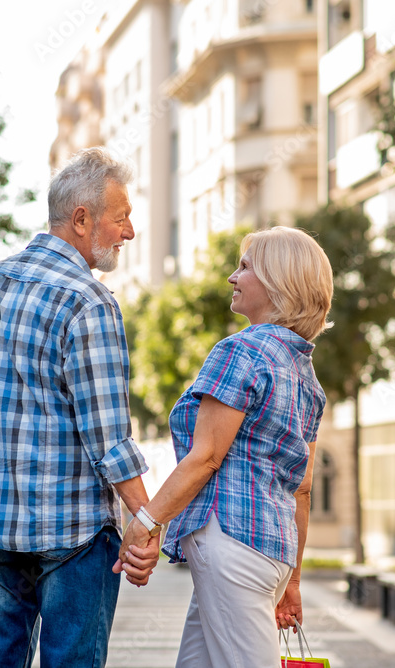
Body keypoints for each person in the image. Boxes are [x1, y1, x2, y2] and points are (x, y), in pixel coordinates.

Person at [0, 147, 160, 668]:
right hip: (75, 536)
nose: (129, 232)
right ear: (82, 219)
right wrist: (148, 520)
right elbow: (109, 438)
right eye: (122, 216)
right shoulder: (89, 301)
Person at [117, 226, 334, 667]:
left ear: (278, 282)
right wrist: (291, 582)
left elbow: (207, 457)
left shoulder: (240, 352)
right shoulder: (307, 377)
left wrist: (145, 520)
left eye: (245, 267)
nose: (233, 278)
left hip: (231, 544)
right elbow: (302, 490)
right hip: (271, 551)